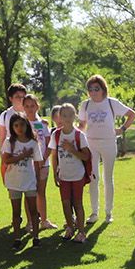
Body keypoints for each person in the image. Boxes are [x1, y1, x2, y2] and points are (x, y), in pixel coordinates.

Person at [79, 75, 135, 224]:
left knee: (107, 178)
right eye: (90, 89)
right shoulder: (85, 105)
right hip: (91, 144)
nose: (93, 92)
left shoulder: (111, 103)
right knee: (93, 178)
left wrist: (122, 129)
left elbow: (131, 115)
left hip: (109, 143)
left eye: (96, 89)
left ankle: (108, 213)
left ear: (103, 89)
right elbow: (82, 125)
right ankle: (94, 212)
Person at [50, 103, 90, 241]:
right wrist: (54, 172)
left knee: (78, 203)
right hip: (64, 176)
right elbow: (54, 156)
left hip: (78, 175)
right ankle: (70, 228)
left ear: (75, 116)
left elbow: (86, 156)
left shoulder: (79, 135)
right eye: (64, 115)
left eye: (70, 115)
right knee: (65, 202)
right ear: (59, 117)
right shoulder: (56, 135)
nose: (67, 118)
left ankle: (81, 232)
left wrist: (72, 149)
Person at [1, 114, 42, 247]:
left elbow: (37, 162)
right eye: (16, 125)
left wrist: (38, 180)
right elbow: (6, 160)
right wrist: (23, 156)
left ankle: (36, 236)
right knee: (16, 212)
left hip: (29, 180)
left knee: (33, 210)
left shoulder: (33, 142)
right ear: (12, 127)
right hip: (13, 181)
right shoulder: (9, 142)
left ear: (27, 125)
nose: (19, 128)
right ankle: (17, 238)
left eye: (22, 125)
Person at [23, 94, 55, 230]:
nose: (30, 109)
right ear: (23, 107)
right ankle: (29, 222)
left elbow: (49, 143)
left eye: (32, 105)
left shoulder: (42, 124)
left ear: (37, 106)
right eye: (27, 106)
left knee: (41, 192)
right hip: (27, 165)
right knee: (29, 193)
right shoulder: (21, 123)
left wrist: (43, 160)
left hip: (43, 164)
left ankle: (44, 220)